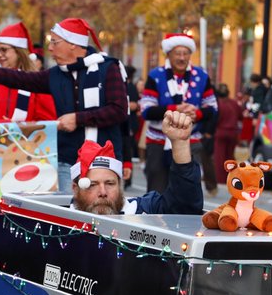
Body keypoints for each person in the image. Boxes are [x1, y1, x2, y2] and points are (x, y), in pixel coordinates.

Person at [0, 17, 128, 179]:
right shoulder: (55, 75)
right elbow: (19, 78)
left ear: (72, 44)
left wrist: (78, 119)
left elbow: (119, 111)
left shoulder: (108, 68)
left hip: (104, 160)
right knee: (67, 213)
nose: (49, 48)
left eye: (55, 42)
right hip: (67, 160)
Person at [69, 110, 202, 216]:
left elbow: (185, 209)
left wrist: (180, 143)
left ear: (120, 185)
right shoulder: (60, 223)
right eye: (92, 185)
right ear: (75, 189)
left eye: (110, 183)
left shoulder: (142, 210)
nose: (103, 192)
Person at [139, 33, 217, 194]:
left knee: (188, 188)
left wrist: (198, 114)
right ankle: (155, 218)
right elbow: (146, 111)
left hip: (190, 139)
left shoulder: (201, 76)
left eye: (186, 53)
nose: (182, 58)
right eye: (177, 53)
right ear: (168, 54)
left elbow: (212, 108)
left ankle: (184, 219)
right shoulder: (156, 76)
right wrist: (174, 110)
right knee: (157, 188)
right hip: (158, 140)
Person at [0, 22, 56, 124]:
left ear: (19, 52)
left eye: (4, 50)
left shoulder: (36, 83)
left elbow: (47, 123)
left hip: (24, 140)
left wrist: (14, 127)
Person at [212, 84, 243, 187]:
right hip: (233, 132)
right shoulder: (234, 103)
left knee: (219, 157)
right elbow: (240, 116)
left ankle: (220, 179)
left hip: (220, 132)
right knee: (230, 156)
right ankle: (231, 177)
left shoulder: (217, 104)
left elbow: (215, 119)